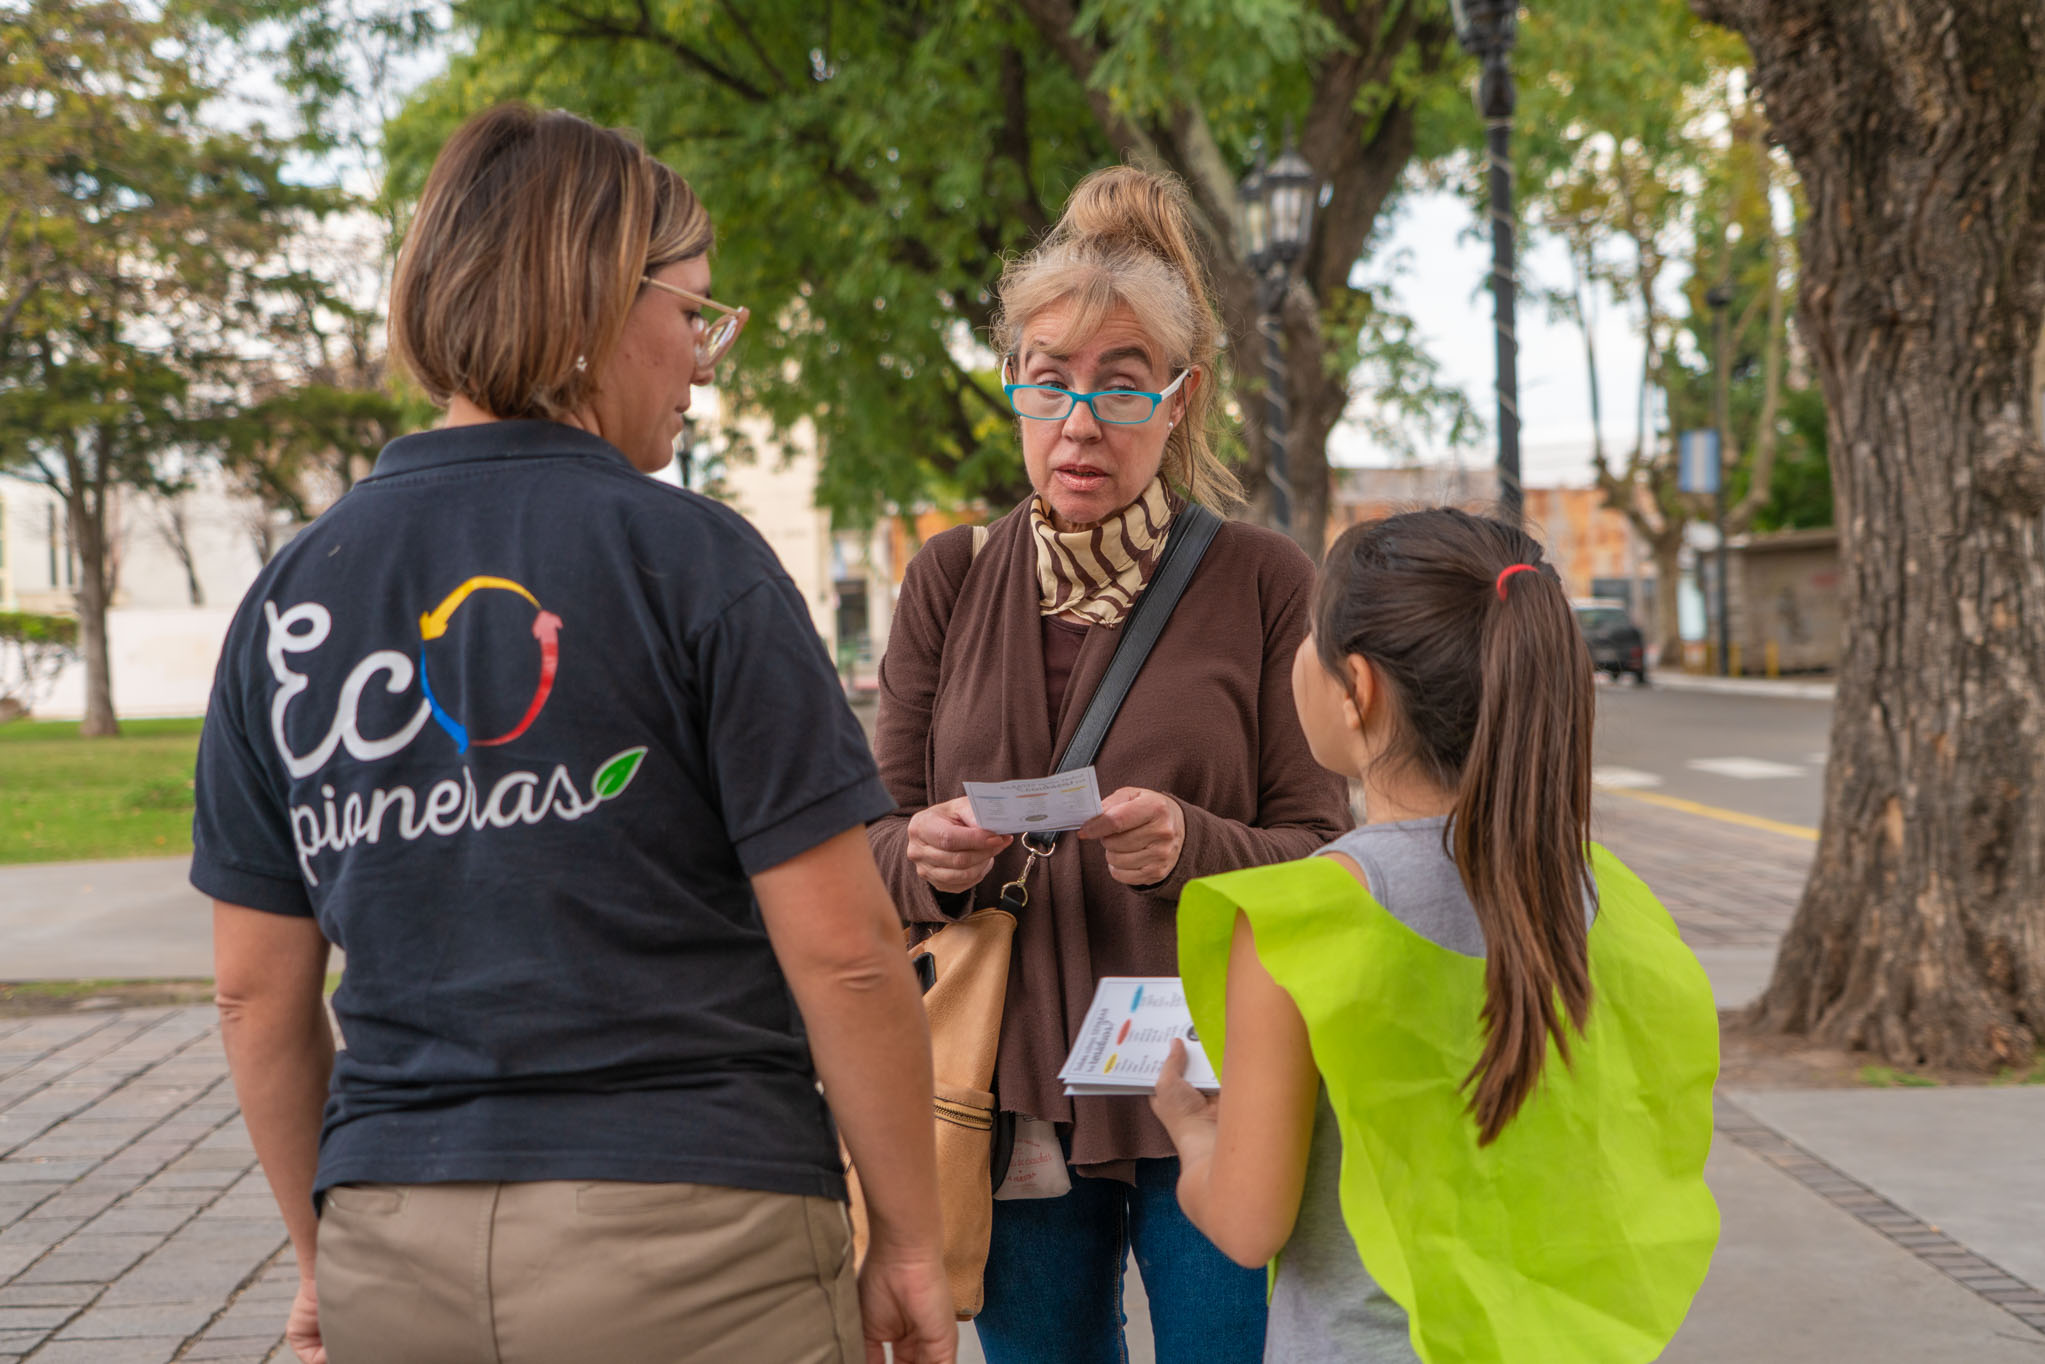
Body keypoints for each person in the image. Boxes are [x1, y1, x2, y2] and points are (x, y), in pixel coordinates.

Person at [192, 103, 954, 1364]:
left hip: (399, 1236)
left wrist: (331, 1252)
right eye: (693, 311)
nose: (704, 358)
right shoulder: (694, 559)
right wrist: (913, 1246)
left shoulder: (292, 594)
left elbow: (252, 993)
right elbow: (850, 955)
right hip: (694, 1235)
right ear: (598, 301)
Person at [866, 164, 1352, 1364]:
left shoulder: (1261, 579)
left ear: (1178, 401)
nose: (1079, 423)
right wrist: (922, 856)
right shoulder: (946, 576)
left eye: (1120, 389)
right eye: (1048, 383)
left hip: (1214, 1082)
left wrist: (1198, 845)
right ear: (1015, 391)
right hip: (1007, 1089)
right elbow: (867, 840)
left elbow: (1327, 847)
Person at [1150, 508, 1721, 1363]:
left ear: (1358, 687)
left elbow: (1245, 1224)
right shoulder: (1605, 897)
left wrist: (1195, 1135)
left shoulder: (1302, 917)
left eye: (1308, 637)